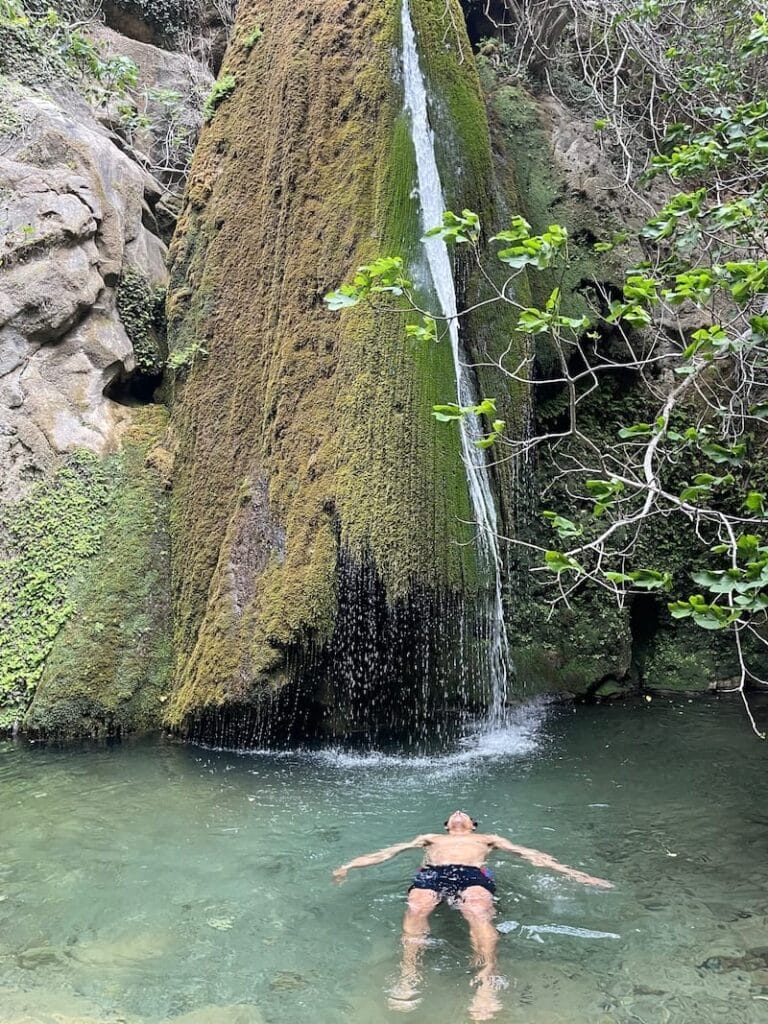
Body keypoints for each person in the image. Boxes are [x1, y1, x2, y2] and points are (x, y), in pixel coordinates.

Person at [332, 810, 613, 1020]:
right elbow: (388, 853)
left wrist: (577, 875)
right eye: (452, 815)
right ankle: (408, 974)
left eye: (464, 815)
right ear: (446, 826)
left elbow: (531, 855)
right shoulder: (430, 839)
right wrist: (349, 866)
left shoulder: (488, 839)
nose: (457, 813)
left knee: (477, 909)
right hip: (433, 873)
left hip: (472, 874)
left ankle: (487, 978)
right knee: (417, 905)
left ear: (473, 825)